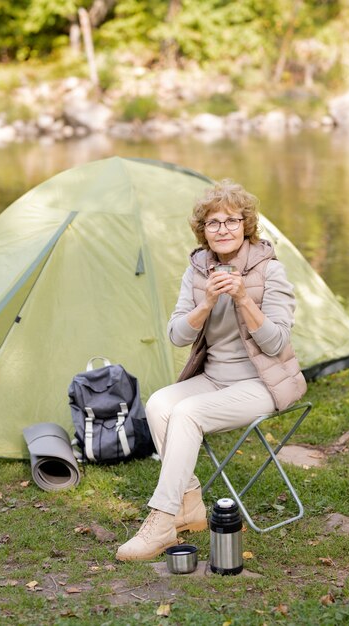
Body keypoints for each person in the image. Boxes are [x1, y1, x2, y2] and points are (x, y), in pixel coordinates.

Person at [116, 179, 307, 561]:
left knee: (188, 413)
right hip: (215, 378)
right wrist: (205, 302)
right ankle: (188, 505)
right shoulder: (197, 271)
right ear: (203, 231)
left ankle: (161, 520)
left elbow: (276, 344)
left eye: (231, 221)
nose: (222, 229)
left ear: (246, 225)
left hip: (261, 384)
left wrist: (241, 298)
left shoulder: (270, 271)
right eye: (213, 222)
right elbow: (176, 335)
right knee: (158, 404)